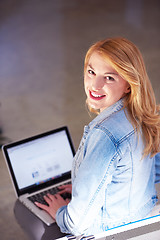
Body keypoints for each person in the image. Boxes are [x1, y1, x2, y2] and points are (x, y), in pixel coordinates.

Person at [35, 37, 160, 236]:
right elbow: (152, 170)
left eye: (109, 78)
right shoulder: (143, 115)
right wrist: (86, 186)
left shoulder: (106, 134)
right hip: (143, 219)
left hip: (109, 231)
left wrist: (60, 212)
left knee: (27, 214)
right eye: (91, 72)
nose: (95, 84)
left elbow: (76, 224)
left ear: (129, 84)